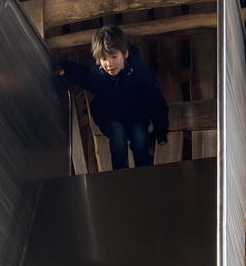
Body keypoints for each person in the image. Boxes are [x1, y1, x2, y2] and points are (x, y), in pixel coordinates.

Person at [59, 25, 169, 171]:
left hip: (137, 118)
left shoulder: (141, 74)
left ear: (125, 53)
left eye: (114, 57)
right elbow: (82, 76)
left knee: (139, 138)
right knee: (117, 134)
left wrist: (161, 132)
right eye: (103, 58)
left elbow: (155, 102)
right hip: (111, 118)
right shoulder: (97, 75)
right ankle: (120, 175)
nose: (109, 64)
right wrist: (64, 69)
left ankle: (144, 174)